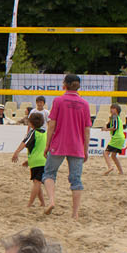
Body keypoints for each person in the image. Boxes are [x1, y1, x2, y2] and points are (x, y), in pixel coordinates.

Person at [40, 74, 92, 218]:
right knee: (76, 180)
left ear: (65, 84)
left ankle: (51, 201)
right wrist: (85, 149)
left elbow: (51, 125)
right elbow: (87, 130)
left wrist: (47, 145)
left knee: (49, 174)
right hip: (77, 147)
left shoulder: (58, 101)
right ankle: (75, 214)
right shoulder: (85, 104)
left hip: (59, 144)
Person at [9, 109, 49, 208]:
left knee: (37, 182)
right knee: (37, 182)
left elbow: (24, 142)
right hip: (42, 160)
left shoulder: (33, 132)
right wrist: (28, 160)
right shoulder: (45, 133)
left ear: (31, 123)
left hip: (37, 161)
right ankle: (42, 203)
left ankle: (29, 204)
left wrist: (16, 152)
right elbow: (39, 148)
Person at [103, 103, 127, 175]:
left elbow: (114, 127)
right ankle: (121, 171)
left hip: (117, 138)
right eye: (111, 108)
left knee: (106, 153)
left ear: (116, 110)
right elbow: (111, 125)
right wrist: (105, 128)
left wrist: (106, 129)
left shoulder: (114, 116)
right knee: (113, 156)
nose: (111, 109)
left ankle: (110, 167)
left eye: (113, 108)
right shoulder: (117, 118)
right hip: (121, 138)